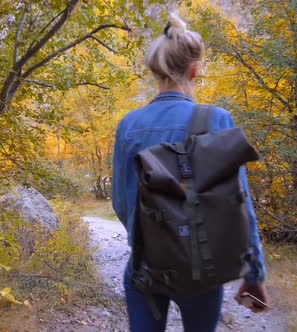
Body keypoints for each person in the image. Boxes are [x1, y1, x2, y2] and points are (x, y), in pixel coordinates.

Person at [111, 13, 268, 332]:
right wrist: (254, 274)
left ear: (156, 70)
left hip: (147, 267)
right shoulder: (217, 120)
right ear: (194, 69)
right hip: (202, 268)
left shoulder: (129, 125)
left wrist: (150, 240)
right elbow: (240, 204)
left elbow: (121, 201)